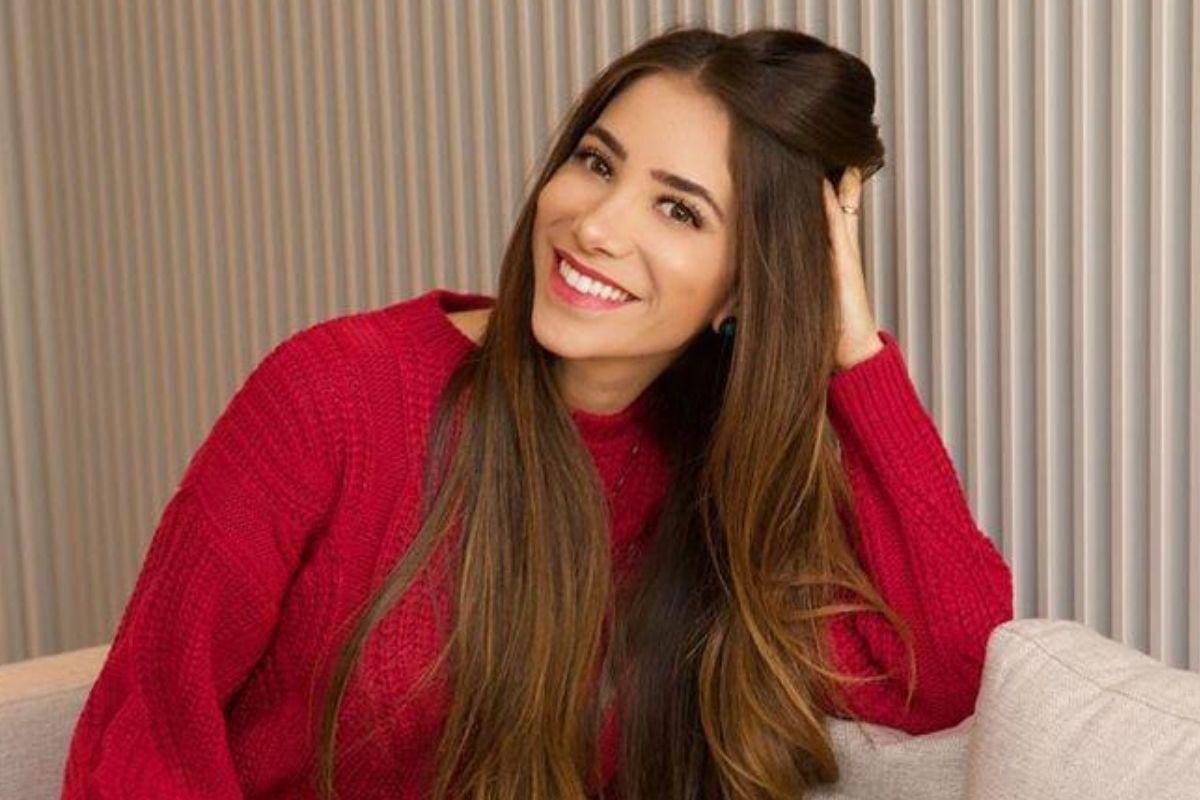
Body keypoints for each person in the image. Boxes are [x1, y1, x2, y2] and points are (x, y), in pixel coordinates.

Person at [60, 25, 1013, 800]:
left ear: (745, 289)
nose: (595, 225)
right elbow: (146, 730)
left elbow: (947, 671)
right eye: (597, 163)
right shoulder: (334, 395)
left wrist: (852, 346)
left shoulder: (711, 487)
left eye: (679, 211)